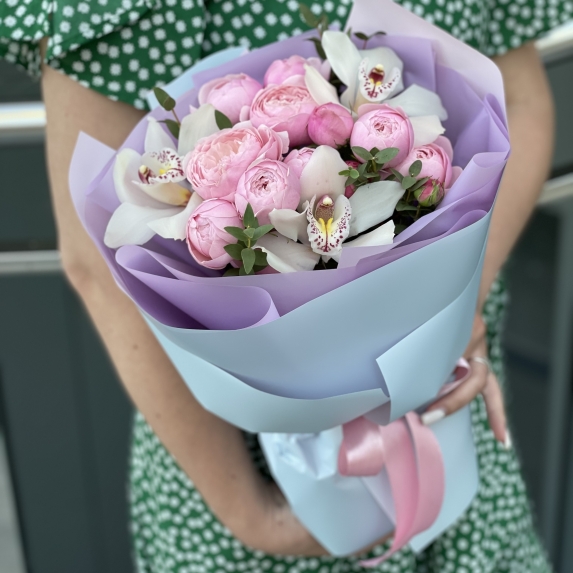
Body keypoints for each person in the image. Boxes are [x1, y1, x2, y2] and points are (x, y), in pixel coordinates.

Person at [0, 0, 567, 570]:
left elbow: (518, 100)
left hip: (446, 396)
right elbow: (97, 257)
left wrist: (451, 309)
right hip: (241, 466)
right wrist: (247, 510)